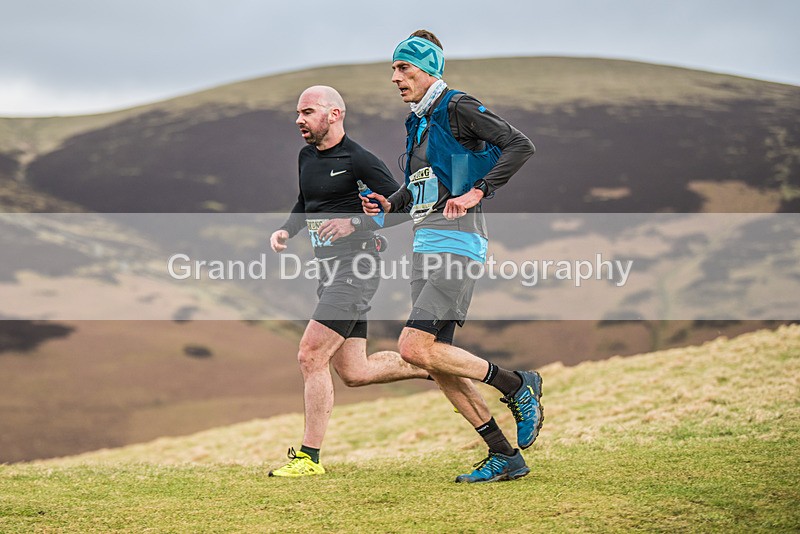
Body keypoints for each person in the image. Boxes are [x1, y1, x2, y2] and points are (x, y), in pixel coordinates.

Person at [362, 30, 542, 483]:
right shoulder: (417, 122)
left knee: (411, 347)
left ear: (429, 70)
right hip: (428, 244)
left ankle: (517, 384)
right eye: (393, 69)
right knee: (431, 356)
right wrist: (387, 208)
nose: (395, 77)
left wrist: (478, 190)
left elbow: (521, 144)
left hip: (457, 243)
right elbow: (424, 190)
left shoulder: (456, 106)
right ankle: (505, 455)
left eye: (404, 68)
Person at [268, 85, 428, 477]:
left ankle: (309, 459)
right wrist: (288, 230)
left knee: (310, 355)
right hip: (328, 272)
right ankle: (431, 365)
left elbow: (405, 208)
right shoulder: (307, 156)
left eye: (307, 112)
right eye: (298, 113)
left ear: (334, 114)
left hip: (357, 269)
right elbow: (306, 202)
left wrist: (356, 221)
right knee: (354, 372)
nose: (299, 120)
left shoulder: (360, 159)